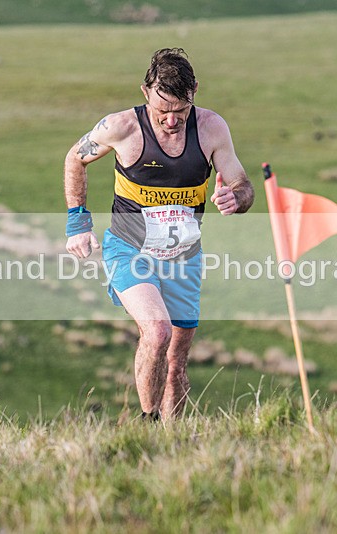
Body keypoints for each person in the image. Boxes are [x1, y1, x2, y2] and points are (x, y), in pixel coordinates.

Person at [63, 48, 253, 420]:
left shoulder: (212, 128)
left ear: (195, 92)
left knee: (177, 360)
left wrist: (236, 198)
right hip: (129, 248)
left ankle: (172, 439)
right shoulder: (120, 127)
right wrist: (78, 223)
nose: (170, 121)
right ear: (144, 92)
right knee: (157, 330)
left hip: (184, 256)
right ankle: (147, 423)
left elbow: (243, 185)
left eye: (180, 112)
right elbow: (75, 157)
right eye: (161, 110)